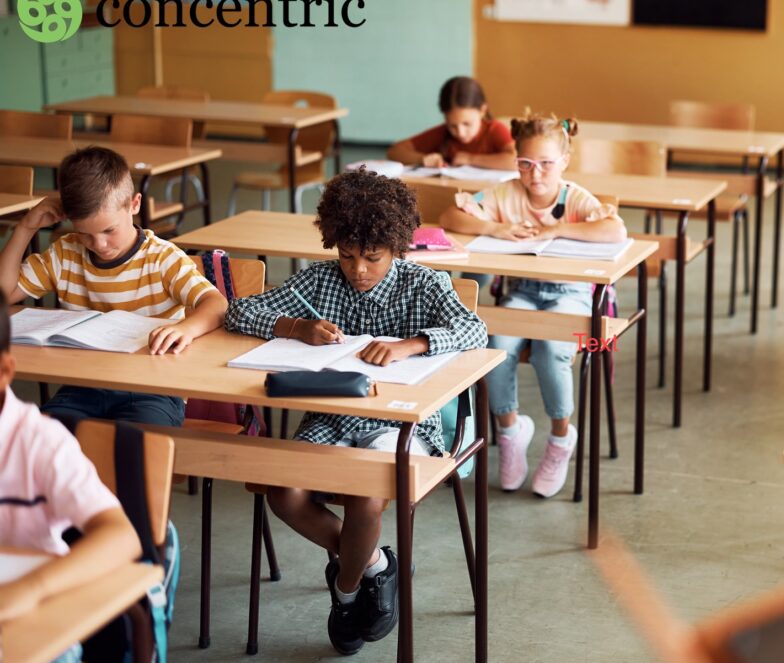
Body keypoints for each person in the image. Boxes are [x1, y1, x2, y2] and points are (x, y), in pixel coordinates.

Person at [224, 169, 486, 655]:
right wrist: (295, 326)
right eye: (346, 256)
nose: (358, 269)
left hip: (401, 422)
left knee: (368, 494)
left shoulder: (423, 283)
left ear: (397, 247)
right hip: (329, 416)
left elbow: (475, 330)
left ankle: (344, 596)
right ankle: (376, 569)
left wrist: (412, 345)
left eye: (372, 257)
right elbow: (238, 312)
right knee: (283, 491)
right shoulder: (321, 282)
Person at [439, 111, 628, 498]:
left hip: (570, 293)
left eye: (545, 164)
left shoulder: (574, 197)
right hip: (523, 291)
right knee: (496, 348)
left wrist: (559, 227)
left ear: (564, 163)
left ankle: (560, 439)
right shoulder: (506, 193)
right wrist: (496, 227)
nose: (535, 174)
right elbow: (449, 216)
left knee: (550, 351)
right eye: (525, 164)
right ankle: (511, 433)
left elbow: (615, 230)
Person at [0, 146, 226, 426]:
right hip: (82, 387)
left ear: (134, 204)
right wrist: (25, 228)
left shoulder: (162, 258)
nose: (99, 245)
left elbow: (217, 304)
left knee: (132, 450)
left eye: (109, 230)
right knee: (41, 440)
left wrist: (185, 328)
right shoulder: (65, 254)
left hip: (151, 391)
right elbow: (5, 294)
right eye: (85, 234)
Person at [0, 305, 141, 663]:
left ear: (4, 372)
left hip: (35, 610)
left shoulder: (39, 442)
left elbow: (121, 537)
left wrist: (29, 590)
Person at [385, 76, 516, 170]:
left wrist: (471, 159)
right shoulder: (443, 133)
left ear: (482, 110)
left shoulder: (494, 130)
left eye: (467, 124)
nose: (460, 132)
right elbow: (395, 151)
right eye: (453, 125)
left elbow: (517, 161)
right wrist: (422, 159)